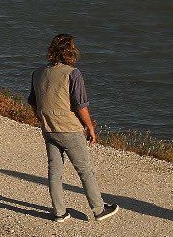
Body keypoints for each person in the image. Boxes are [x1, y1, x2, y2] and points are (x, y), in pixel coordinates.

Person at [28, 34, 119, 223]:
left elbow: (33, 101)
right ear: (70, 51)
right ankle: (99, 209)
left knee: (54, 171)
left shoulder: (37, 73)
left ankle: (59, 212)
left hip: (49, 128)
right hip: (69, 129)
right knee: (85, 171)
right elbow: (80, 105)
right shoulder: (72, 73)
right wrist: (90, 127)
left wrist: (41, 119)